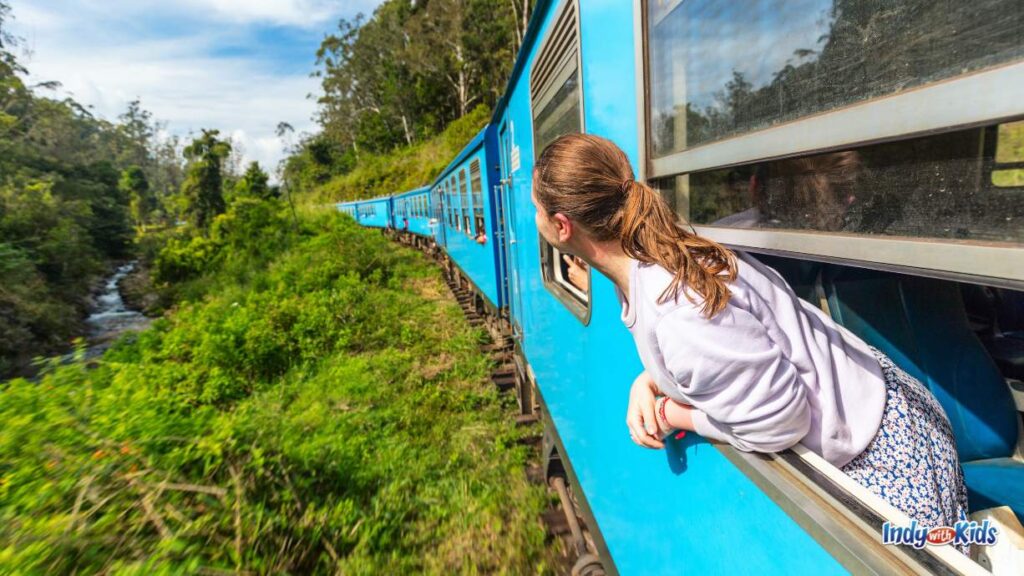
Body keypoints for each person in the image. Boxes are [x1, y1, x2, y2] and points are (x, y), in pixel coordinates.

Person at [533, 133, 969, 553]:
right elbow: (732, 344)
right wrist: (648, 381)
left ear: (562, 225)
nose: (534, 219)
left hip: (887, 457)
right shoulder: (655, 258)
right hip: (880, 409)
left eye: (537, 209)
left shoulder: (673, 311)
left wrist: (673, 413)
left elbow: (780, 423)